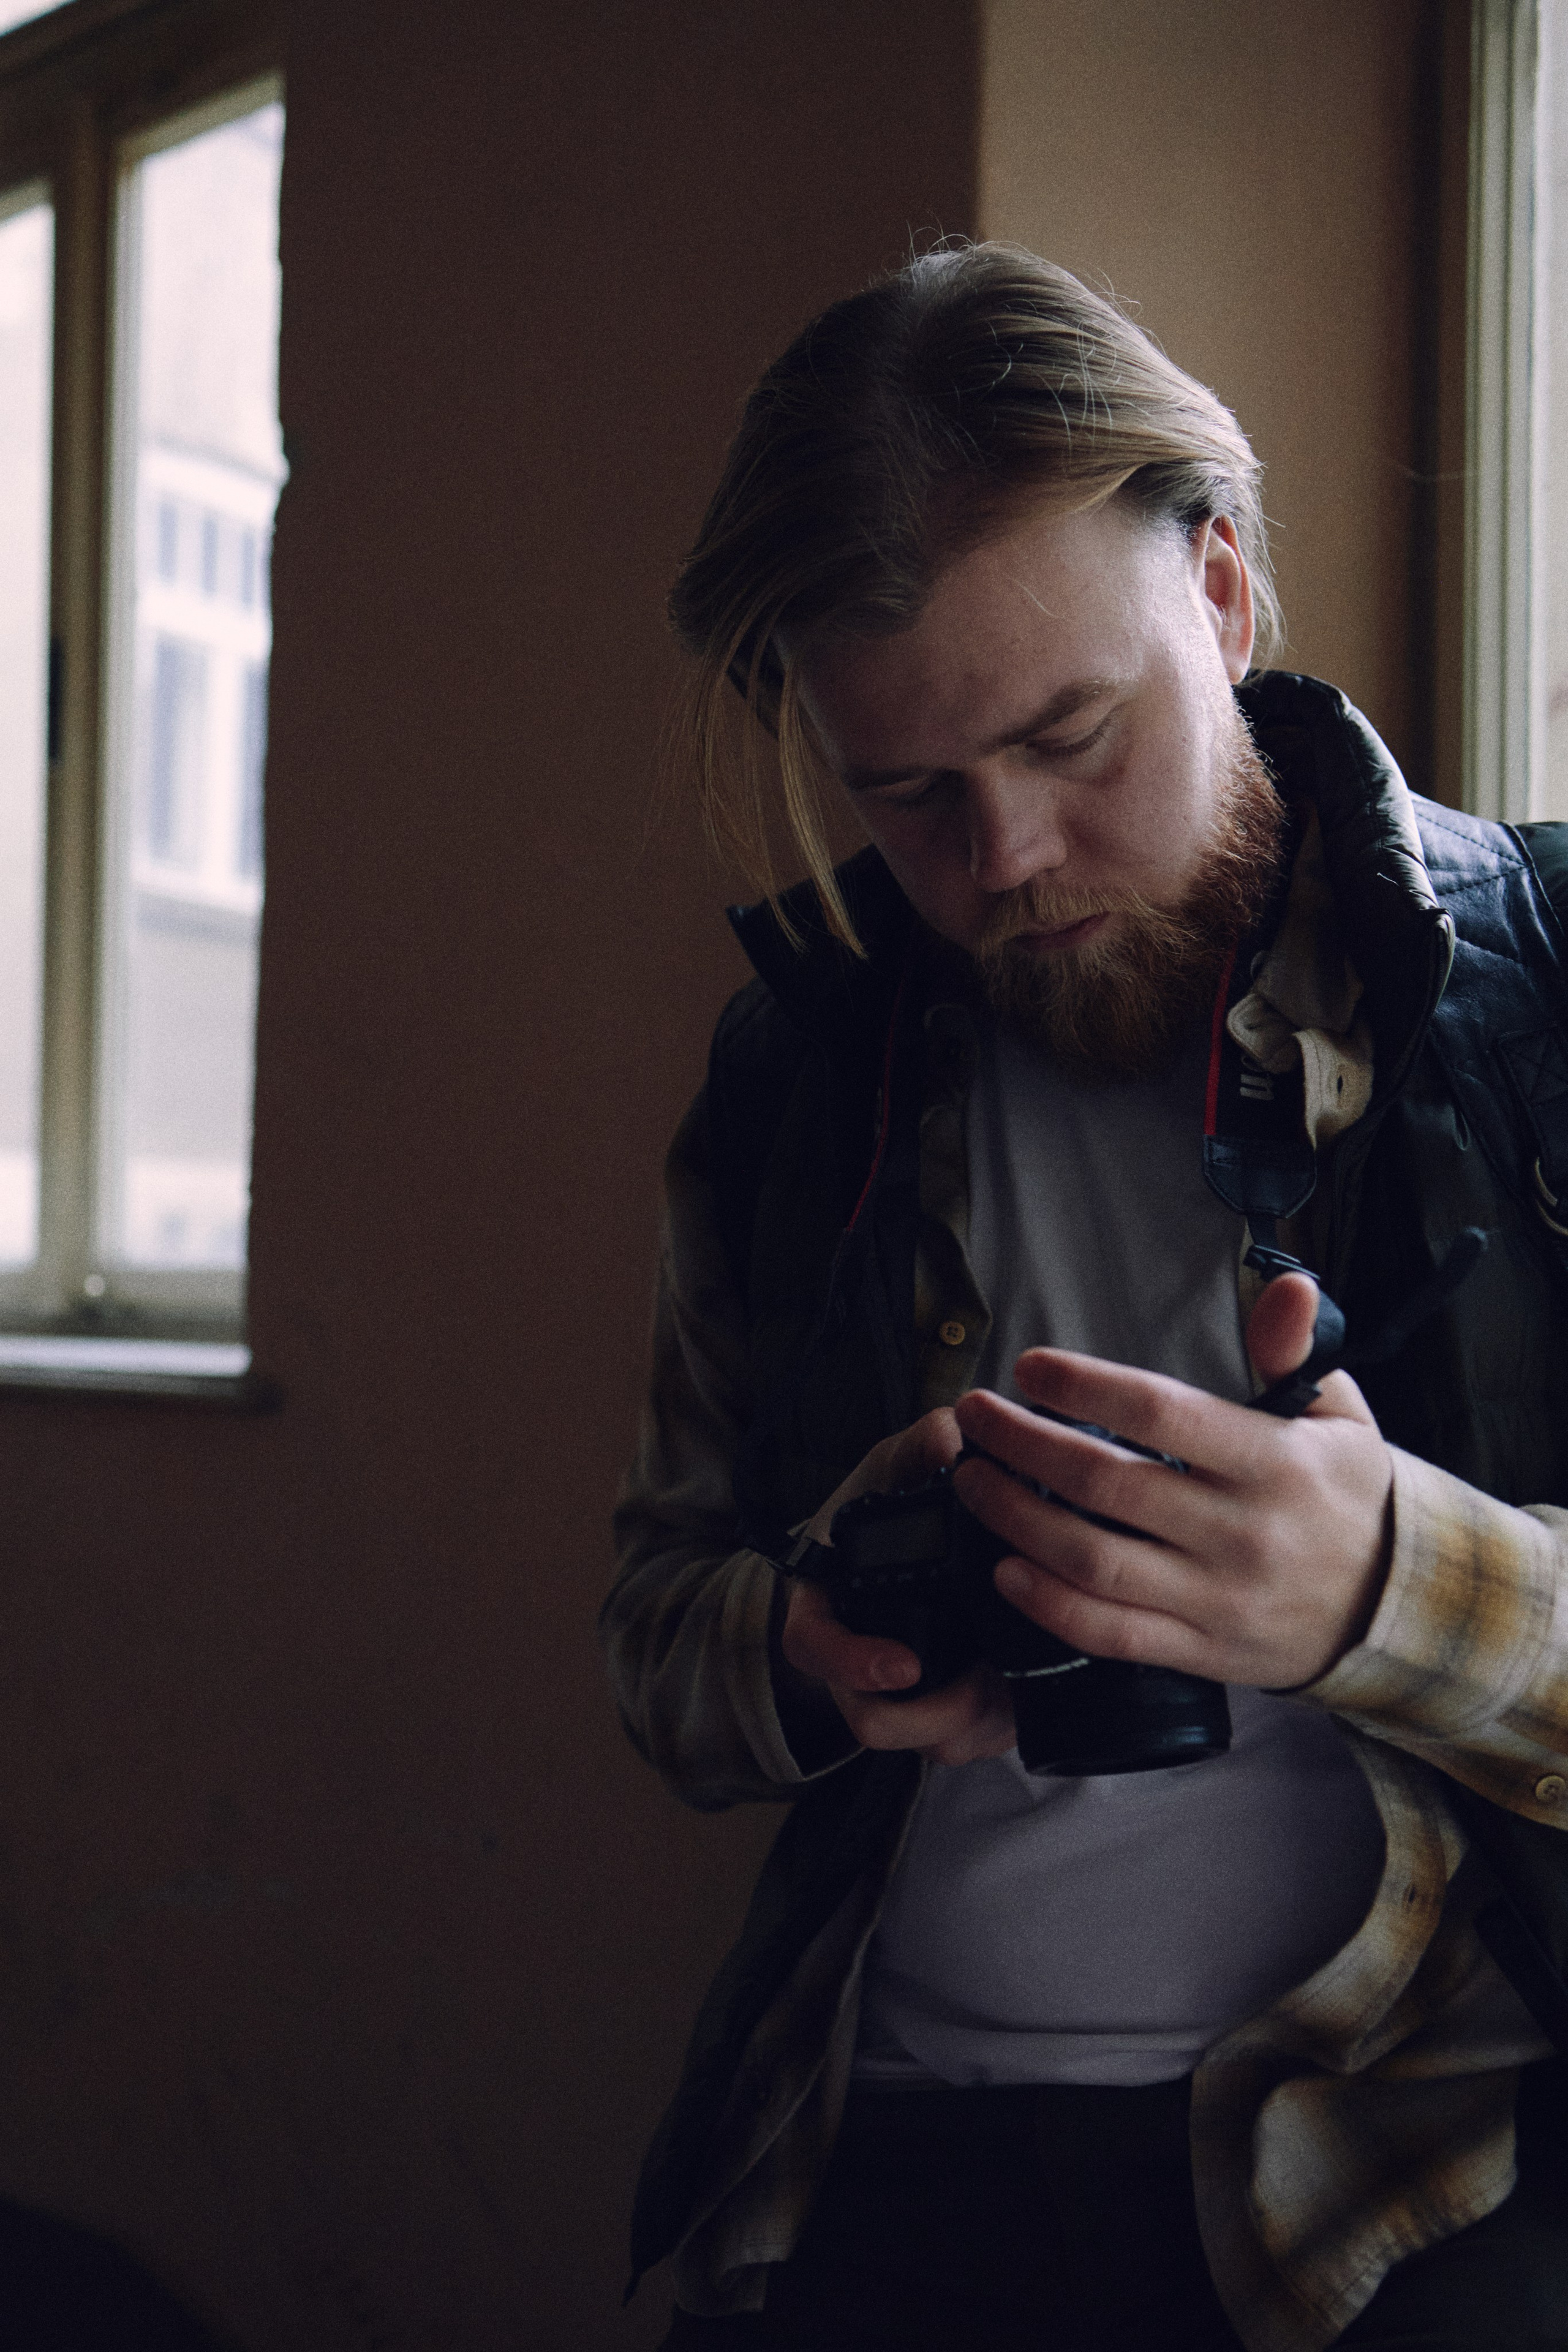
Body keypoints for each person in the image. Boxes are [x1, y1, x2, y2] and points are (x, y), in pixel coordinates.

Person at [603, 244, 1568, 2352]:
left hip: (1423, 2191)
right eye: (910, 794)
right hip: (875, 2167)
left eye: (1071, 735)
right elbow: (654, 1632)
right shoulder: (801, 1084)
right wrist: (808, 1640)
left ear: (1220, 594)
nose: (1011, 854)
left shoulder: (1550, 997)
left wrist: (1391, 1588)